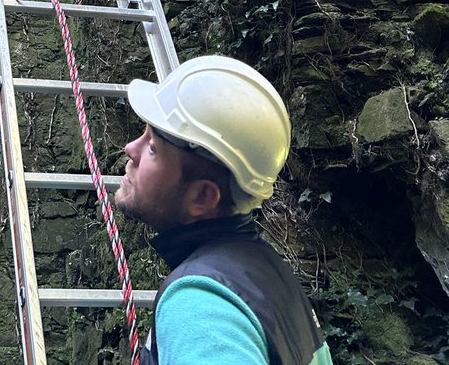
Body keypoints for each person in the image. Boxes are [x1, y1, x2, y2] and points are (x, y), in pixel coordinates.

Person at [115, 54, 333, 365]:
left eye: (152, 148)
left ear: (203, 196)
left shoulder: (201, 306)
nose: (130, 149)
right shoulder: (270, 275)